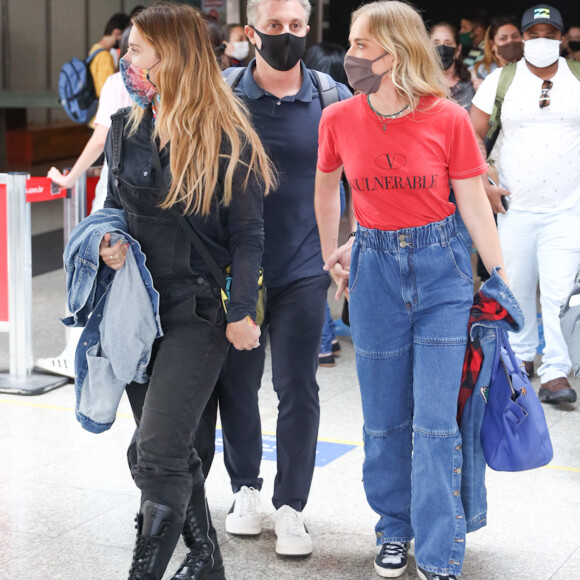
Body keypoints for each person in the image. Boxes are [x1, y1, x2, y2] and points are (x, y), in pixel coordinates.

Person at [314, 2, 510, 578]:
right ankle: (392, 529)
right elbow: (328, 189)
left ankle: (438, 544)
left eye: (360, 45)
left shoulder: (446, 117)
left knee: (433, 419)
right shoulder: (339, 119)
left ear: (394, 51)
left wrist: (498, 277)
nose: (350, 57)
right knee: (382, 418)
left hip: (442, 267)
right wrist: (335, 251)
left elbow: (472, 201)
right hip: (373, 268)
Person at [87, 3, 274, 578]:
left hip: (198, 311)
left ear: (172, 58)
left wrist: (242, 310)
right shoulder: (126, 128)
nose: (127, 59)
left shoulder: (227, 133)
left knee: (158, 451)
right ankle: (207, 561)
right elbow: (113, 210)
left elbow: (248, 236)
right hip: (138, 310)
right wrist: (105, 244)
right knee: (158, 452)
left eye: (138, 49)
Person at [194, 0, 351, 557]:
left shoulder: (332, 98)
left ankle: (291, 507)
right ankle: (244, 490)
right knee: (237, 387)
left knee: (297, 386)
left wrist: (350, 245)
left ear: (308, 30)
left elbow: (360, 174)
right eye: (275, 26)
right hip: (237, 272)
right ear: (250, 32)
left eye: (296, 26)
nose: (286, 35)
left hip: (306, 267)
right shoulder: (224, 94)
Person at [470, 3, 580, 404]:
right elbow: (471, 132)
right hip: (513, 208)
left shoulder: (577, 80)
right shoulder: (501, 80)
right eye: (533, 34)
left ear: (562, 39)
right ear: (521, 38)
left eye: (549, 34)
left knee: (558, 292)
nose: (541, 41)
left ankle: (555, 373)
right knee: (515, 287)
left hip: (567, 209)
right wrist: (483, 180)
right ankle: (520, 359)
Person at [36, 26, 134, 379]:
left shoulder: (118, 81)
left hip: (114, 190)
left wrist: (70, 176)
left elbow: (101, 137)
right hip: (149, 193)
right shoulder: (174, 78)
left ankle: (74, 353)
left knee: (88, 261)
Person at [304, 40, 354, 367]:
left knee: (312, 266)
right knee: (325, 261)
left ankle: (322, 344)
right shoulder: (346, 102)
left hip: (313, 188)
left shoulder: (310, 103)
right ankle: (330, 340)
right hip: (340, 190)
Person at [88, 12, 131, 127]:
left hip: (96, 118)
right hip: (103, 120)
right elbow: (106, 89)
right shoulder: (105, 57)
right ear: (117, 33)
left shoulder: (95, 49)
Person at [474, 16, 523, 82]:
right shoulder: (480, 73)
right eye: (503, 38)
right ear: (492, 44)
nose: (510, 41)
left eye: (515, 36)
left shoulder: (530, 68)